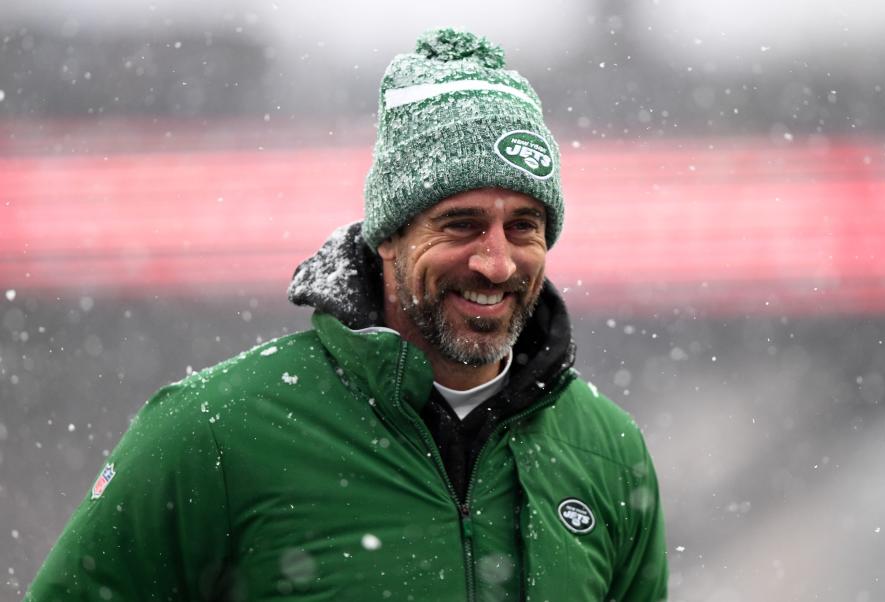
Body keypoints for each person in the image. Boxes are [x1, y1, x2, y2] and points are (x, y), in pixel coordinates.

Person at [27, 28, 668, 601]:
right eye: (461, 224)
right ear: (388, 236)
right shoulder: (214, 433)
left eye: (523, 227)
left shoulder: (608, 452)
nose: (496, 263)